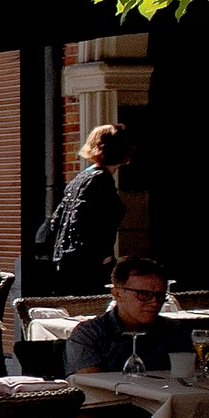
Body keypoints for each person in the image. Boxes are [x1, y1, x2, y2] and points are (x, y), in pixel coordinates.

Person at [39, 124, 131, 294]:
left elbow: (56, 220)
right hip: (88, 266)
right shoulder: (101, 180)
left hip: (65, 260)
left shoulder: (80, 178)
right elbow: (93, 222)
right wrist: (105, 257)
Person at [65, 257, 194, 374]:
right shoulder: (90, 334)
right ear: (118, 294)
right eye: (143, 294)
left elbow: (189, 375)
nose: (154, 302)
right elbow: (90, 385)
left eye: (160, 295)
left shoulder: (172, 330)